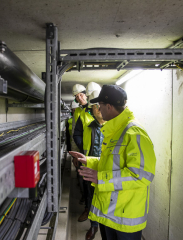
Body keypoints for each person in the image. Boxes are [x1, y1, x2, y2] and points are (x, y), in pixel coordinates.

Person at [70, 85, 156, 240]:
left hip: (125, 218)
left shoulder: (134, 133)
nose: (98, 110)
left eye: (100, 106)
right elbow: (111, 163)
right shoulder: (115, 131)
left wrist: (101, 178)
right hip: (111, 213)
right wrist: (88, 160)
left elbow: (141, 175)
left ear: (108, 106)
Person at [73, 82, 102, 222]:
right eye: (76, 96)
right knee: (88, 186)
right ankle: (90, 216)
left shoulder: (109, 118)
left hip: (102, 158)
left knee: (101, 189)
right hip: (88, 156)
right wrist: (80, 148)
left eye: (82, 94)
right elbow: (76, 133)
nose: (80, 98)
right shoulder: (82, 113)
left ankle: (98, 219)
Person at [83, 90, 106, 240]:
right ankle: (93, 226)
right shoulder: (90, 127)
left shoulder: (114, 127)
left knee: (105, 199)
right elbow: (86, 146)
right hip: (92, 166)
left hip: (106, 169)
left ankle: (103, 225)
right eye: (94, 107)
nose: (95, 109)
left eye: (97, 106)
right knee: (92, 198)